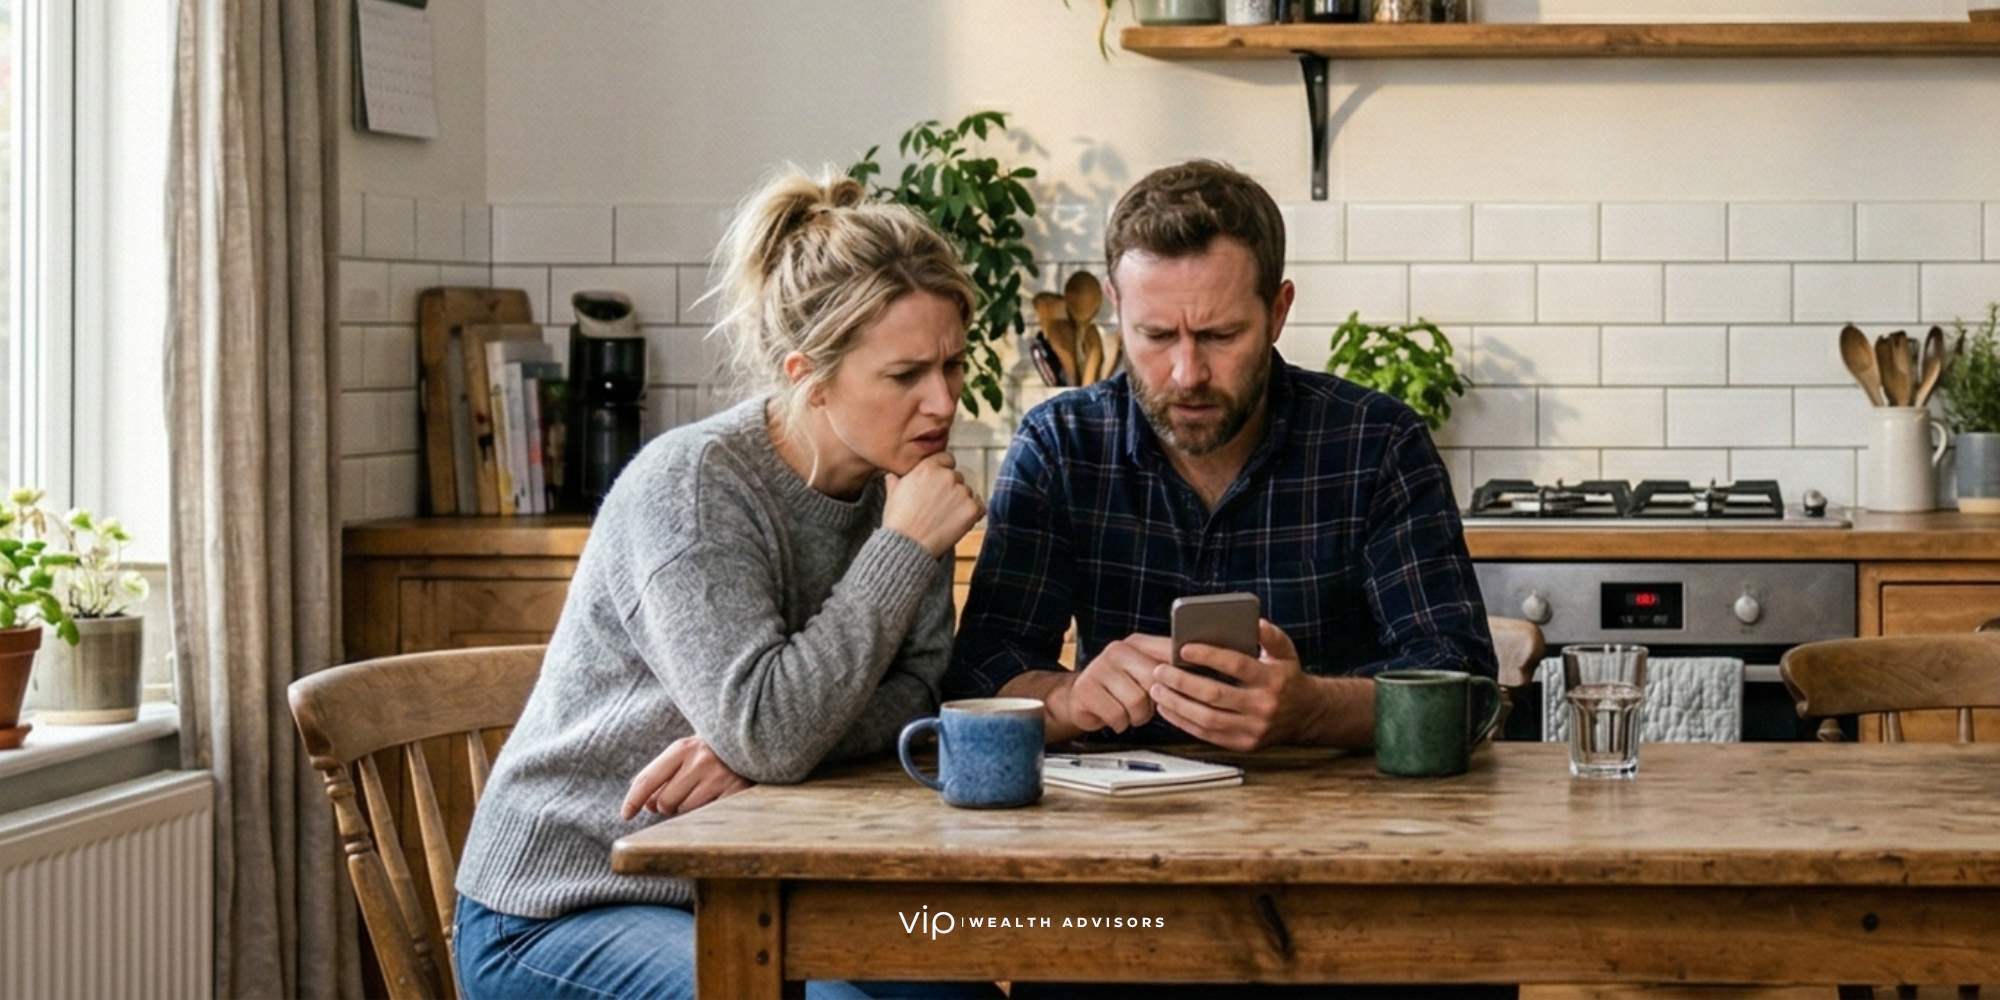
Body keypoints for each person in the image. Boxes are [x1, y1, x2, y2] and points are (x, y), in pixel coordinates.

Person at [453, 168, 998, 1000]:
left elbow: (918, 696)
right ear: (808, 374)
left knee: (956, 996)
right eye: (905, 375)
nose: (942, 401)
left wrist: (763, 752)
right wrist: (897, 551)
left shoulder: (902, 482)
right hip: (564, 903)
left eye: (953, 366)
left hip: (752, 889)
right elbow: (772, 731)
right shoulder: (695, 487)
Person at [948, 159, 1496, 754]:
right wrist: (1072, 696)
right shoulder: (1061, 446)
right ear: (1115, 307)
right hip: (1118, 824)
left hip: (1338, 823)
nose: (1187, 375)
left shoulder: (1377, 444)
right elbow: (981, 673)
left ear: (1278, 312)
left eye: (1220, 336)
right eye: (1155, 336)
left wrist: (1311, 709)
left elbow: (1466, 689)